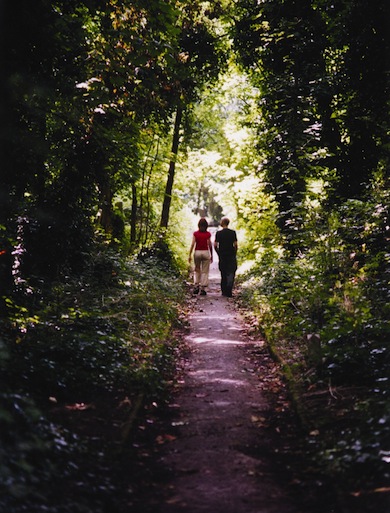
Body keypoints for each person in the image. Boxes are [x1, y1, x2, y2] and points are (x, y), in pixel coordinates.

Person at [188, 217, 213, 295]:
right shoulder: (208, 234)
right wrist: (211, 254)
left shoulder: (195, 233)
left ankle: (196, 286)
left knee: (197, 269)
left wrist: (190, 254)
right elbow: (210, 244)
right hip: (205, 252)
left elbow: (193, 244)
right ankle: (203, 288)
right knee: (205, 271)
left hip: (197, 252)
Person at [214, 217, 238, 297]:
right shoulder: (233, 233)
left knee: (223, 272)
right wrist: (234, 252)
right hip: (231, 254)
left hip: (222, 255)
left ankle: (224, 291)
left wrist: (218, 252)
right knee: (231, 271)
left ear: (222, 223)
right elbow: (235, 245)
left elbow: (215, 245)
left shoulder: (218, 233)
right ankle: (229, 288)